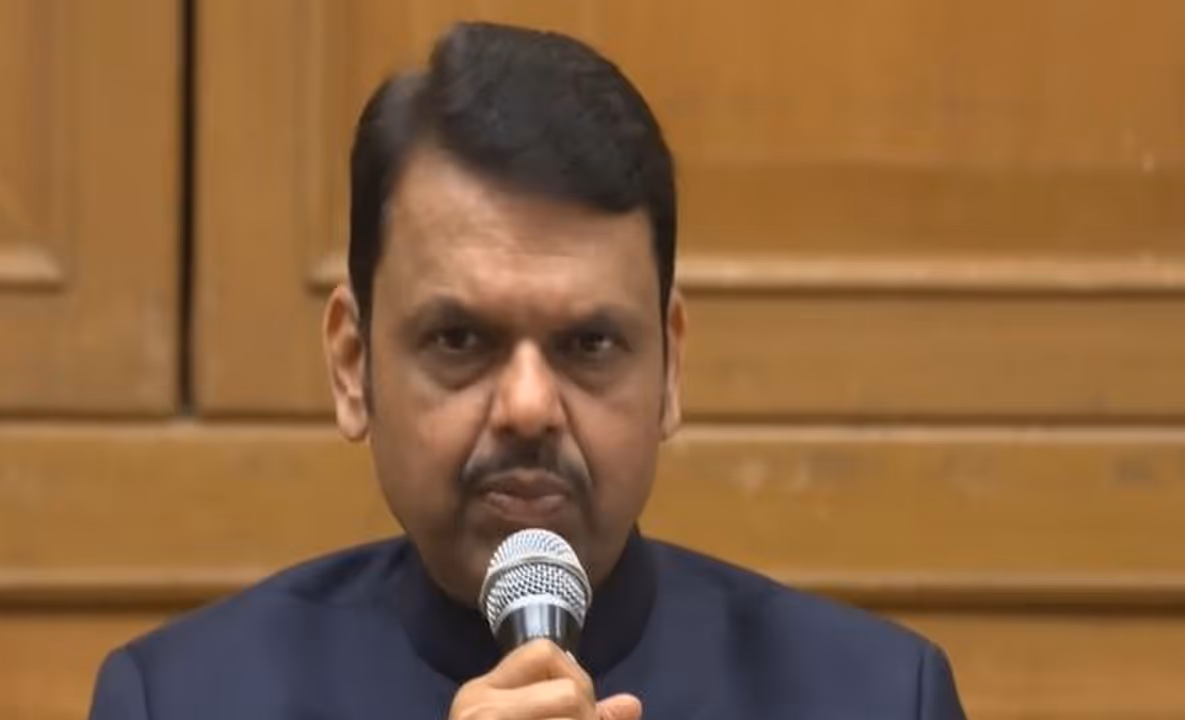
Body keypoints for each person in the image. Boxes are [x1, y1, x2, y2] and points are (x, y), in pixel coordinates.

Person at [88, 21, 966, 720]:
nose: (529, 406)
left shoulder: (879, 699)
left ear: (669, 368)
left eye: (589, 346)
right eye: (459, 340)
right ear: (353, 365)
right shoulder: (184, 700)